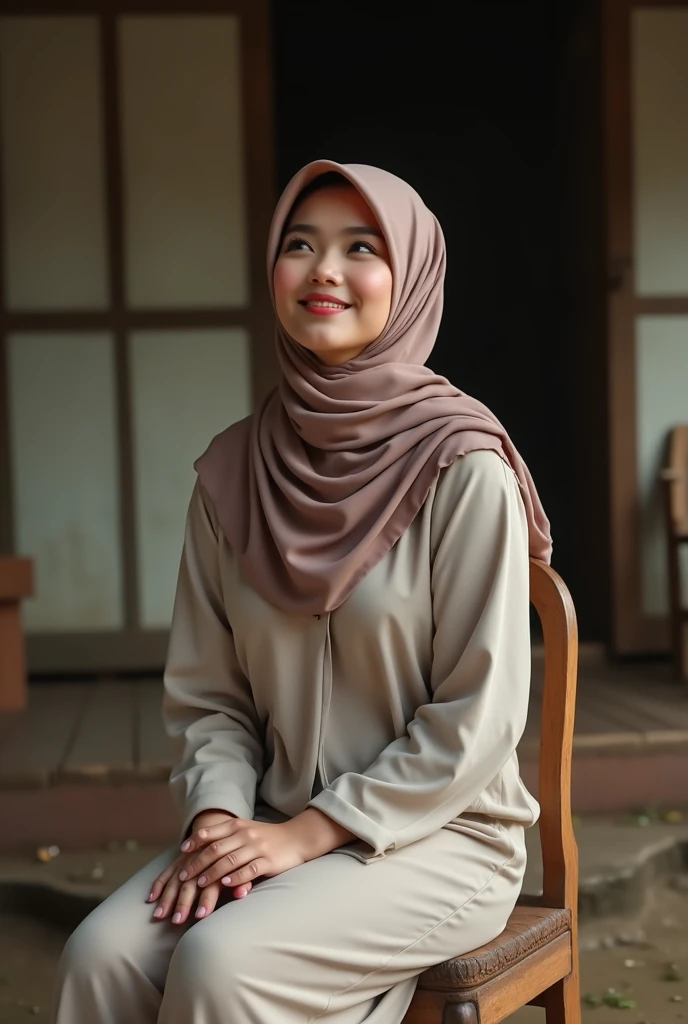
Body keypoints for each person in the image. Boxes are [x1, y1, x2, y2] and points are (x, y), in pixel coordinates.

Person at [51, 160, 551, 1024]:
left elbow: (477, 718)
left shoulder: (464, 464)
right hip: (267, 818)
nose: (324, 270)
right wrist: (217, 820)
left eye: (361, 247)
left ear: (413, 276)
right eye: (300, 244)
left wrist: (309, 835)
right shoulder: (232, 471)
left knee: (220, 961)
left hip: (437, 838)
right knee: (100, 955)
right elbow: (211, 698)